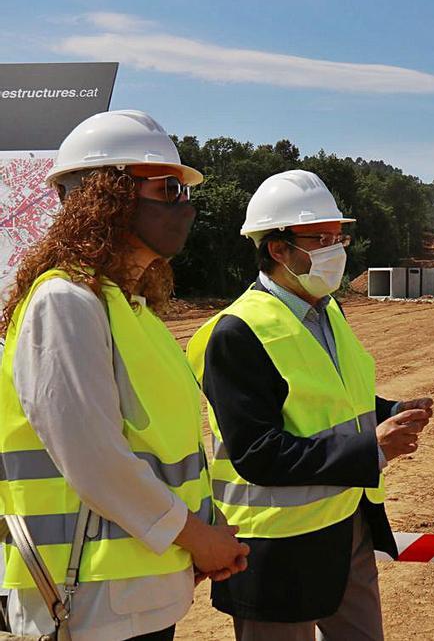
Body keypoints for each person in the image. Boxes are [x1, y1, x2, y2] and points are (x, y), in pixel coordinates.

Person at [0, 110, 248, 640]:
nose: (184, 205)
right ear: (103, 195)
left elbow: (166, 455)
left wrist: (199, 532)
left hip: (140, 594)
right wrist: (197, 537)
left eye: (183, 190)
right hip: (81, 597)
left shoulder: (133, 313)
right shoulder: (64, 302)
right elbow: (94, 458)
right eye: (166, 187)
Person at [186, 169, 432, 640]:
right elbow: (258, 452)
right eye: (320, 238)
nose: (336, 250)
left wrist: (390, 410)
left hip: (346, 525)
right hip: (276, 549)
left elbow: (336, 400)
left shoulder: (327, 308)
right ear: (277, 249)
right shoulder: (237, 333)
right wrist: (371, 450)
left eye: (339, 236)